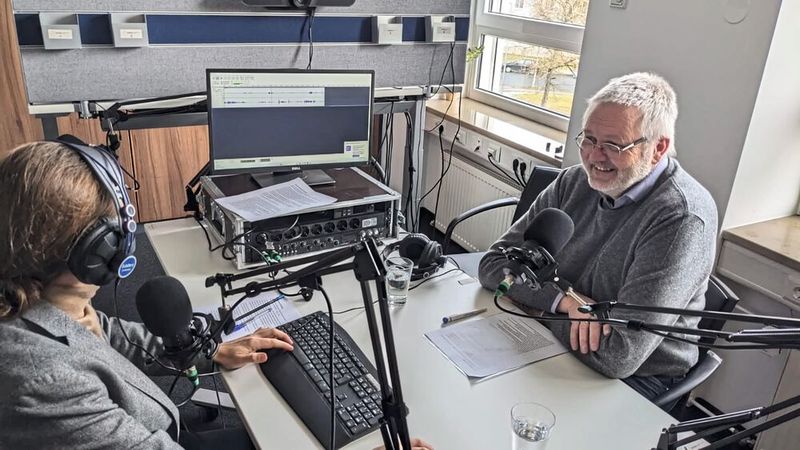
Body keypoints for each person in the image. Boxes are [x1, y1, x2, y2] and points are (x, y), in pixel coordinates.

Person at [0, 141, 434, 450]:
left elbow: (105, 333)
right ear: (95, 252)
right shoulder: (41, 379)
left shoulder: (40, 294)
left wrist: (209, 350)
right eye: (116, 230)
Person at [478, 72, 718, 402]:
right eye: (589, 139)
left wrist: (534, 308)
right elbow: (492, 266)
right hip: (565, 342)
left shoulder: (681, 218)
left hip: (637, 379)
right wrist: (564, 302)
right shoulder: (573, 182)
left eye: (613, 145)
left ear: (658, 148)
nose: (594, 156)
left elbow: (619, 353)